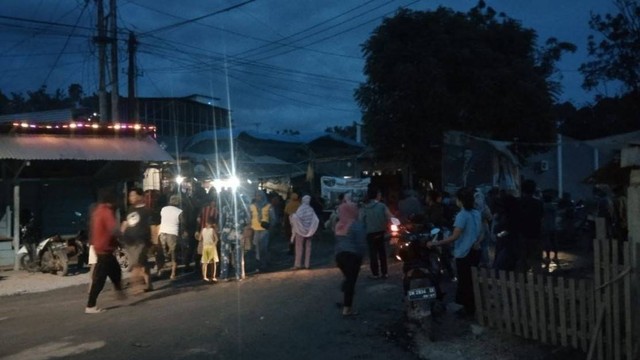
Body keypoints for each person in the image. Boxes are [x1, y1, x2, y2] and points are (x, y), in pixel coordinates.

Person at [427, 186, 481, 317]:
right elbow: (480, 232)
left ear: (460, 200)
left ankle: (467, 310)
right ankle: (471, 307)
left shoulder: (462, 215)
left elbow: (455, 236)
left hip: (464, 252)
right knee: (471, 280)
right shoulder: (476, 213)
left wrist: (434, 243)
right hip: (474, 251)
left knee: (464, 282)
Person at [86, 188, 125, 314]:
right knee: (99, 279)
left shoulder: (97, 211)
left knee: (115, 271)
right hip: (104, 249)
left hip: (101, 248)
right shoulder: (106, 212)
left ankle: (119, 291)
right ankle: (90, 305)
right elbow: (113, 229)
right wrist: (123, 235)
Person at [334, 202, 366, 317]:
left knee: (348, 279)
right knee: (351, 282)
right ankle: (347, 309)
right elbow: (361, 243)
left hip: (339, 257)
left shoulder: (339, 224)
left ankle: (345, 301)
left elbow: (337, 242)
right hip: (352, 257)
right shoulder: (356, 225)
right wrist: (362, 256)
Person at [120, 187, 153, 294]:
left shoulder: (146, 210)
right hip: (130, 241)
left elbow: (152, 226)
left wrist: (153, 240)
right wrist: (120, 234)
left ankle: (136, 286)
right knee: (143, 263)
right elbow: (125, 222)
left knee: (136, 264)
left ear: (140, 196)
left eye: (133, 195)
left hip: (140, 241)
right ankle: (149, 284)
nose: (131, 198)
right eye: (130, 195)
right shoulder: (130, 209)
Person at [360, 187, 393, 279]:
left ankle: (375, 274)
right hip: (381, 232)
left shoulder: (364, 207)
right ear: (377, 195)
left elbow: (361, 220)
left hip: (370, 234)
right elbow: (390, 217)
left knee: (373, 254)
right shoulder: (382, 206)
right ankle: (385, 273)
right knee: (382, 253)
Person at [219, 190, 250, 281]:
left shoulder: (225, 208)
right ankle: (239, 274)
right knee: (238, 254)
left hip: (226, 233)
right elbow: (246, 221)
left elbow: (221, 222)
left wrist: (221, 231)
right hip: (238, 233)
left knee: (225, 255)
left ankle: (224, 275)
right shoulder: (242, 209)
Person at [518, 180, 544, 273]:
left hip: (522, 234)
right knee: (536, 260)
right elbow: (541, 218)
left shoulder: (518, 202)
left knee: (522, 260)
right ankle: (537, 282)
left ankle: (522, 281)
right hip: (536, 234)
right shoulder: (538, 203)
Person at [158, 195, 185, 280]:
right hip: (172, 233)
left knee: (162, 253)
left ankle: (160, 269)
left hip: (162, 232)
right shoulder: (180, 211)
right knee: (174, 254)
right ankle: (172, 274)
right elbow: (182, 223)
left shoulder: (163, 209)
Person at [290, 195, 320, 270]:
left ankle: (298, 264)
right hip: (309, 231)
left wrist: (292, 216)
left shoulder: (301, 208)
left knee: (299, 247)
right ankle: (307, 264)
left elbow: (296, 218)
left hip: (300, 231)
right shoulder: (311, 209)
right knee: (308, 247)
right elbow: (316, 220)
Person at [250, 190, 274, 272]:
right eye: (257, 195)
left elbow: (272, 218)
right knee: (256, 248)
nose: (258, 197)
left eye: (259, 195)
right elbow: (249, 216)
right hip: (255, 229)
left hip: (265, 229)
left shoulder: (268, 206)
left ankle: (264, 264)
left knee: (263, 248)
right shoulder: (252, 206)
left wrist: (271, 227)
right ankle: (258, 265)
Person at [199, 216, 219, 282]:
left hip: (208, 247)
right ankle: (210, 276)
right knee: (209, 263)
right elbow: (216, 239)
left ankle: (208, 276)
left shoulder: (207, 230)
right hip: (208, 247)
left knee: (208, 262)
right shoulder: (208, 230)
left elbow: (200, 239)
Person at [541, 191, 558, 265]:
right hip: (553, 226)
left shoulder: (543, 206)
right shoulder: (553, 206)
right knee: (553, 241)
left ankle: (548, 256)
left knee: (546, 242)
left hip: (545, 226)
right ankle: (555, 256)